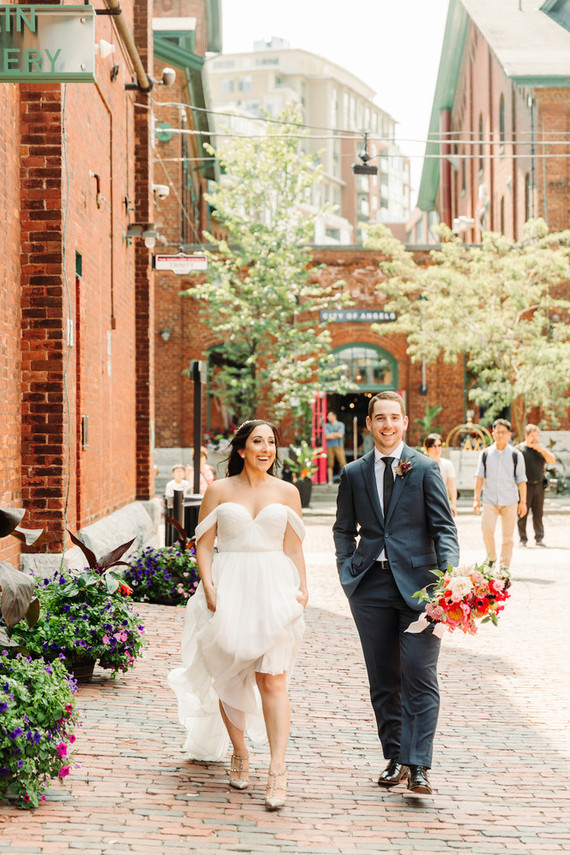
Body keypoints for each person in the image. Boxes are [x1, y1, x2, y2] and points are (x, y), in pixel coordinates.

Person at [168, 420, 308, 811]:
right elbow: (204, 545)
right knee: (228, 671)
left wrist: (304, 588)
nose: (265, 449)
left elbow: (294, 548)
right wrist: (208, 585)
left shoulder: (288, 492)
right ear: (242, 449)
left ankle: (277, 770)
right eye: (257, 442)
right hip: (229, 587)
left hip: (275, 588)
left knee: (273, 680)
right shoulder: (219, 490)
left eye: (271, 442)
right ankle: (241, 751)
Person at [333, 391, 459, 796]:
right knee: (384, 679)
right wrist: (346, 569)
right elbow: (342, 529)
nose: (387, 425)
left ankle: (418, 764)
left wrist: (449, 581)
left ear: (405, 422)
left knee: (420, 675)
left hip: (423, 590)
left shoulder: (424, 468)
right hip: (369, 587)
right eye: (379, 418)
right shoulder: (353, 473)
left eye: (394, 417)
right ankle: (395, 758)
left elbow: (444, 528)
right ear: (368, 424)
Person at [473, 419, 527, 569]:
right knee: (486, 530)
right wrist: (476, 499)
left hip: (510, 501)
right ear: (493, 434)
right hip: (490, 500)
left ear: (509, 434)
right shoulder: (485, 454)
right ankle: (491, 558)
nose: (500, 435)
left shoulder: (516, 455)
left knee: (508, 537)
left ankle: (504, 566)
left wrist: (523, 502)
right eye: (497, 432)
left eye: (503, 432)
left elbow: (522, 480)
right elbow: (479, 477)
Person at [517, 424, 555, 547]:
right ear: (526, 436)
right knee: (522, 513)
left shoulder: (541, 449)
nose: (535, 438)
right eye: (532, 435)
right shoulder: (519, 450)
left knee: (538, 513)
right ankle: (523, 539)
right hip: (524, 486)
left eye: (536, 435)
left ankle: (539, 538)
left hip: (539, 485)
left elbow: (552, 460)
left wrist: (542, 450)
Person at [423, 434, 457, 516]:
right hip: (424, 504)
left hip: (442, 503)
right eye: (433, 446)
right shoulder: (422, 464)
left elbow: (451, 486)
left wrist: (453, 504)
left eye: (439, 445)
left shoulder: (447, 464)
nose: (437, 449)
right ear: (427, 448)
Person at [325, 411, 346, 485]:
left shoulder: (341, 424)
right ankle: (330, 480)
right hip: (329, 446)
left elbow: (341, 435)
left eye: (329, 416)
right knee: (330, 464)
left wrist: (332, 434)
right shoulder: (327, 425)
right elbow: (327, 436)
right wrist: (336, 433)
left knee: (343, 462)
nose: (327, 417)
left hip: (339, 445)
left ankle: (345, 480)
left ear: (334, 416)